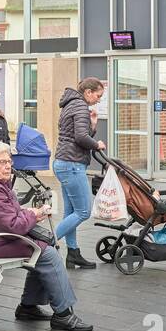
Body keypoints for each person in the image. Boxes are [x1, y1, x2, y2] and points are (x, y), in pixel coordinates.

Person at [0, 141, 92, 331]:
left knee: (42, 248)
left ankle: (28, 307)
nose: (8, 166)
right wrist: (34, 214)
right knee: (47, 253)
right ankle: (63, 314)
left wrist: (29, 213)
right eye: (1, 162)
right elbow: (13, 226)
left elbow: (7, 217)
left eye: (9, 161)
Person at [54, 77, 107, 270]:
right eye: (98, 96)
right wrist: (97, 144)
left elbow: (76, 135)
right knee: (84, 211)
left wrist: (92, 125)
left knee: (71, 212)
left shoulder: (70, 104)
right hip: (72, 164)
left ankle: (73, 254)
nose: (98, 100)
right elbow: (80, 138)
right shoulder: (80, 106)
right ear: (88, 92)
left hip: (64, 162)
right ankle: (44, 243)